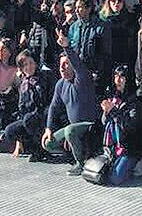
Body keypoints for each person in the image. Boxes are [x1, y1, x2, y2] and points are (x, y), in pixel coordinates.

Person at [42, 32, 98, 176]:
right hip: (74, 130)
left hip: (91, 127)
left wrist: (66, 47)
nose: (62, 67)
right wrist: (48, 128)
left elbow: (79, 65)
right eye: (61, 64)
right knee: (48, 143)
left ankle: (81, 163)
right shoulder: (60, 84)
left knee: (70, 131)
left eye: (66, 64)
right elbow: (53, 108)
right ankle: (74, 153)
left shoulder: (82, 79)